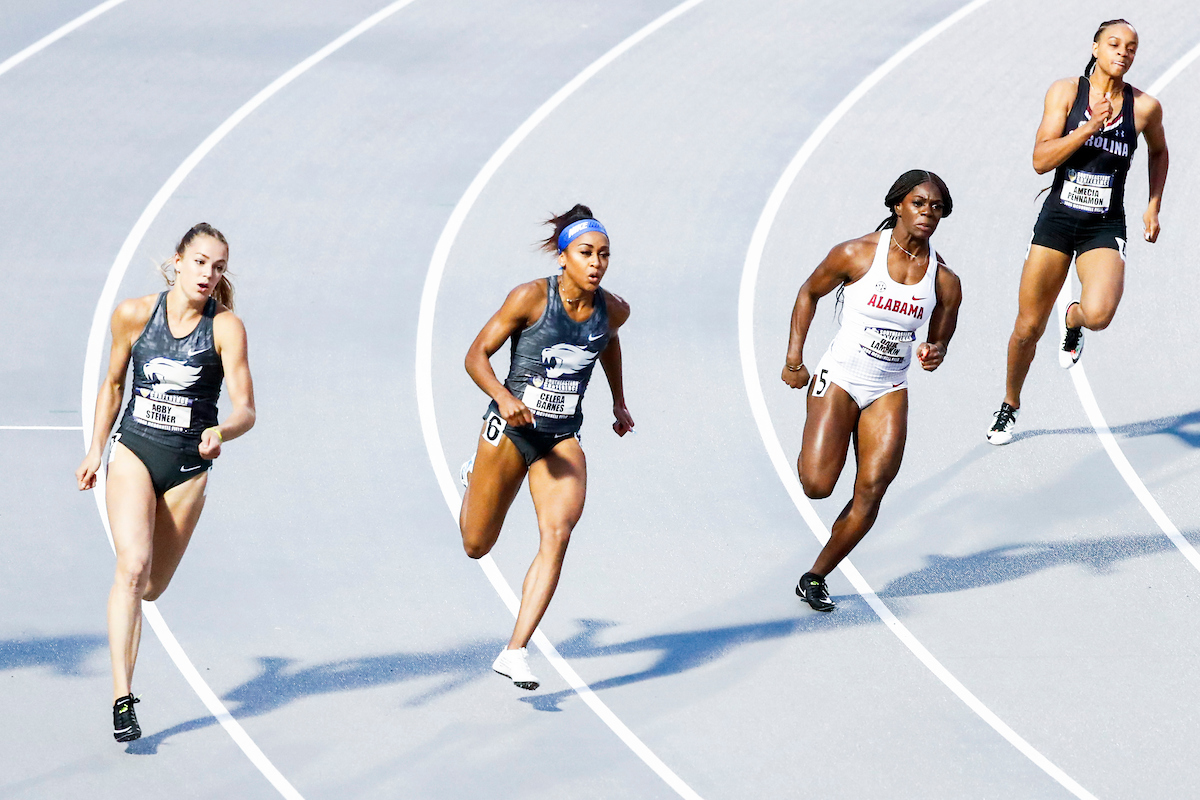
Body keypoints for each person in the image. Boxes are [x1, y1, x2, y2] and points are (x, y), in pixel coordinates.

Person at [76, 223, 256, 741]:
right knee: (131, 569)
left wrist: (221, 430)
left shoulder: (226, 329)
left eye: (217, 267)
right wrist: (95, 449)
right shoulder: (134, 314)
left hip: (187, 468)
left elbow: (246, 407)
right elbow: (112, 385)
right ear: (178, 261)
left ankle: (126, 666)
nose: (208, 274)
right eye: (200, 262)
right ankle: (122, 698)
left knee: (152, 587)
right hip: (133, 449)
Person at [458, 204, 633, 689]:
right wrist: (503, 397)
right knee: (476, 544)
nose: (596, 263)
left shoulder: (613, 308)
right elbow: (475, 355)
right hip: (511, 430)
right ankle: (476, 479)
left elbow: (608, 342)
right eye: (586, 253)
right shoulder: (531, 298)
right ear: (563, 257)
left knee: (557, 533)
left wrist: (619, 402)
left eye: (604, 255)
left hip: (561, 438)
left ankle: (515, 651)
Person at [781, 171, 962, 611]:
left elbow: (942, 331)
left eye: (936, 208)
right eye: (919, 203)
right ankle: (815, 449)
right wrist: (793, 360)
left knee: (872, 489)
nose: (927, 213)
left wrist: (936, 349)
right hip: (840, 377)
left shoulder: (943, 280)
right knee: (818, 485)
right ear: (898, 205)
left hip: (889, 387)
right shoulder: (856, 254)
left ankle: (816, 576)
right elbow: (809, 293)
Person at [988, 19, 1168, 444]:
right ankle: (1009, 405)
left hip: (1104, 225)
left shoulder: (1144, 107)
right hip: (1057, 220)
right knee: (1028, 328)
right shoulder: (1066, 92)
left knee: (1100, 314)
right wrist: (1088, 128)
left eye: (1131, 47)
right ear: (1095, 46)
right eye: (1114, 43)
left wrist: (1153, 204)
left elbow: (1159, 152)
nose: (1123, 52)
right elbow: (1040, 159)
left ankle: (1073, 318)